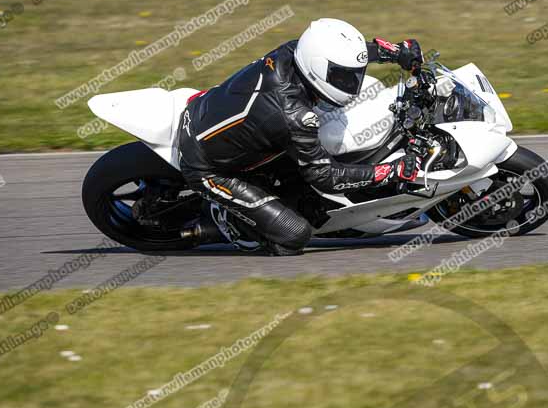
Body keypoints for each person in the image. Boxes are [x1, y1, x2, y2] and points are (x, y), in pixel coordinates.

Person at [178, 18, 424, 255]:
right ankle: (222, 219)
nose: (353, 83)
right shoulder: (294, 115)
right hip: (208, 167)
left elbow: (340, 56)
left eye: (353, 75)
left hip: (215, 114)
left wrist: (394, 52)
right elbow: (326, 177)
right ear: (317, 68)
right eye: (343, 77)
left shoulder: (296, 51)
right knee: (294, 236)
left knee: (301, 182)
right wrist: (390, 171)